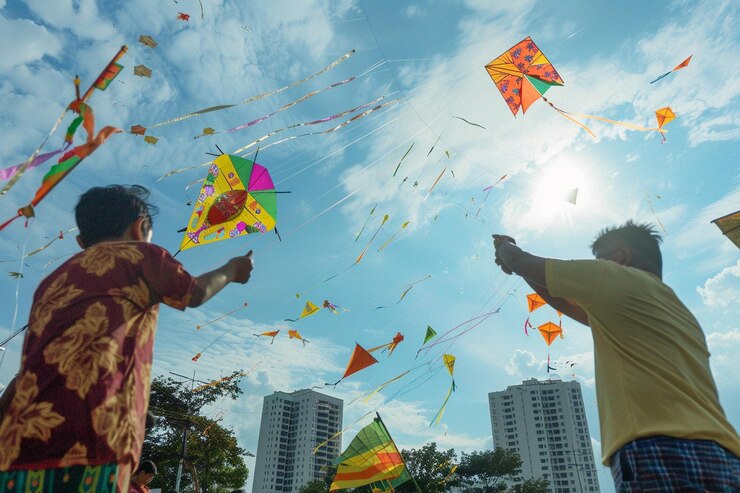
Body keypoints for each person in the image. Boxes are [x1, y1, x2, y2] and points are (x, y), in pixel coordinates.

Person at [0, 185, 254, 492]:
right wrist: (232, 270)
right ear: (140, 228)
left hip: (18, 450)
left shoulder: (51, 283)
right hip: (94, 444)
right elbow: (195, 292)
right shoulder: (143, 256)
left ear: (81, 242)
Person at [493, 221, 740, 491]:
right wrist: (521, 270)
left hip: (656, 444)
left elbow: (520, 260)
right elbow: (562, 299)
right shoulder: (677, 309)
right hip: (724, 455)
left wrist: (506, 246)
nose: (598, 264)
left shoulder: (609, 277)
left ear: (620, 256)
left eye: (601, 258)